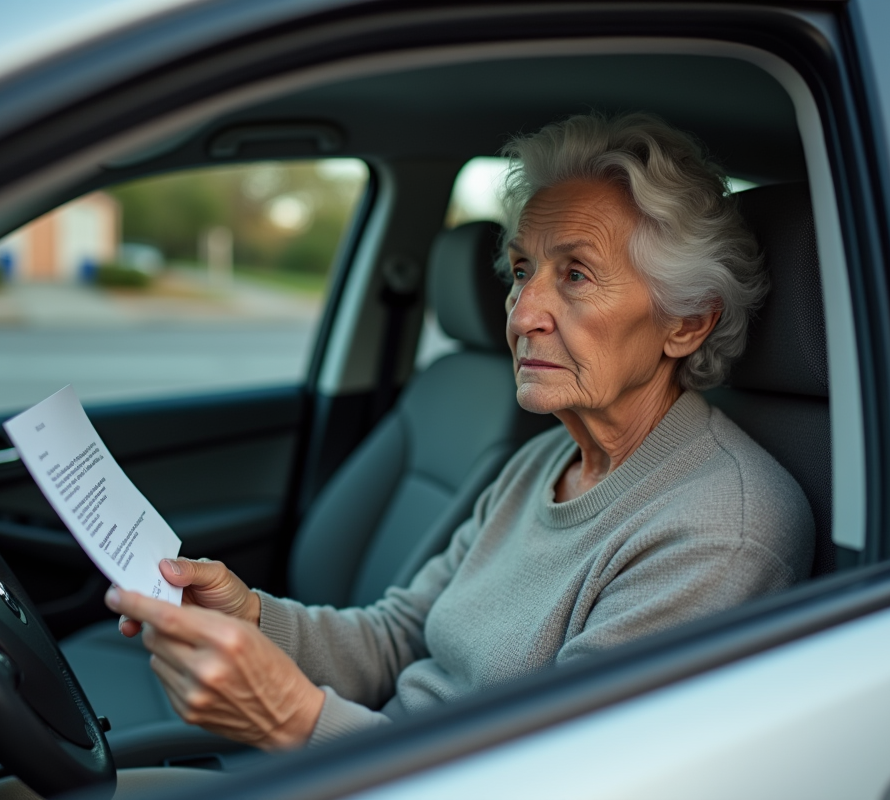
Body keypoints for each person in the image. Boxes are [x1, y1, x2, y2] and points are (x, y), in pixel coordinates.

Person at [105, 111, 815, 751]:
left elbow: (556, 777)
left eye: (575, 274)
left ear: (687, 321)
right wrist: (251, 615)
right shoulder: (543, 460)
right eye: (520, 270)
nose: (522, 310)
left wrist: (294, 721)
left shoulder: (722, 532)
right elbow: (399, 638)